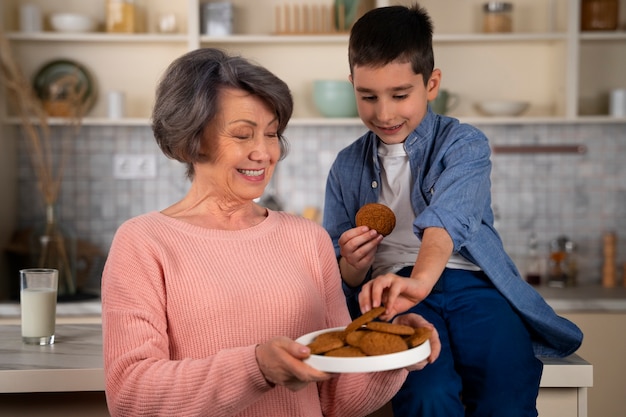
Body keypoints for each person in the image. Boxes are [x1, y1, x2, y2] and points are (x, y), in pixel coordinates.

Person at [101, 47, 440, 417]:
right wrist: (256, 368)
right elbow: (131, 396)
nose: (264, 153)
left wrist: (393, 353)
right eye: (243, 135)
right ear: (192, 140)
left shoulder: (308, 240)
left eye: (272, 133)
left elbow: (336, 399)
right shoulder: (144, 243)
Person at [323, 4, 583, 417]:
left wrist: (422, 280)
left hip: (474, 286)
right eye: (368, 96)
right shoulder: (345, 166)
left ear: (431, 84)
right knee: (427, 392)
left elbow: (449, 217)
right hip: (395, 296)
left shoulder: (464, 144)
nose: (384, 112)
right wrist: (352, 266)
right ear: (352, 85)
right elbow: (338, 271)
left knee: (506, 387)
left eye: (400, 94)